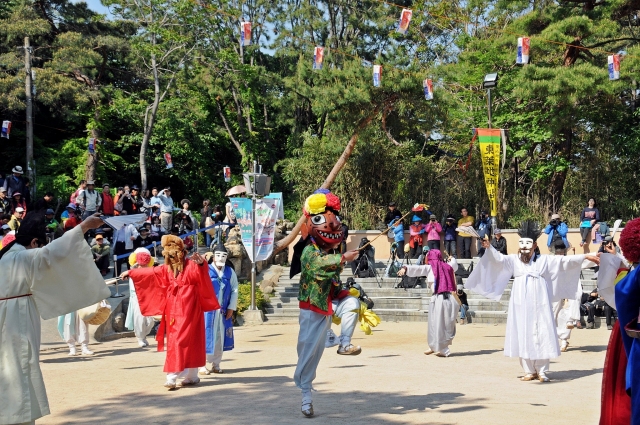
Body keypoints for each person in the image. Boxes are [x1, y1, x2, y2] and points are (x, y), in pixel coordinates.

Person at [0, 212, 110, 425]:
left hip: (10, 314)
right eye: (38, 245)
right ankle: (16, 418)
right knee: (18, 367)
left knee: (9, 367)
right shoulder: (21, 256)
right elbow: (55, 252)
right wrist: (85, 226)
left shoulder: (6, 256)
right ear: (34, 242)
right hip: (16, 319)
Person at [466, 221, 599, 382]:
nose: (524, 248)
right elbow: (499, 259)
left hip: (540, 301)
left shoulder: (544, 260)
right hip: (520, 302)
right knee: (523, 332)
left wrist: (585, 256)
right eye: (521, 244)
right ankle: (529, 370)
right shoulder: (514, 260)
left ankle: (542, 370)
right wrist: (489, 247)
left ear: (535, 245)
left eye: (528, 244)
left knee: (542, 331)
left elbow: (564, 262)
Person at [289, 188, 361, 417]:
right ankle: (306, 395)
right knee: (309, 353)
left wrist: (345, 290)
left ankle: (344, 343)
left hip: (329, 302)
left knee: (352, 303)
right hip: (313, 307)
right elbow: (320, 266)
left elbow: (332, 277)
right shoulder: (308, 251)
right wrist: (342, 258)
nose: (331, 226)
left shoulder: (332, 249)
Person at [120, 235, 220, 389]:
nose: (172, 258)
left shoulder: (192, 265)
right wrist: (131, 273)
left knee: (185, 339)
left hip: (191, 307)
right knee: (179, 339)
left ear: (181, 253)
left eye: (174, 255)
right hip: (175, 307)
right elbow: (152, 272)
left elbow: (202, 274)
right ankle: (184, 376)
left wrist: (201, 265)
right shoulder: (167, 268)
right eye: (169, 256)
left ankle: (179, 376)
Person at [596, 217, 640, 425]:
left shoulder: (631, 273)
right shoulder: (630, 272)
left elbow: (622, 295)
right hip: (630, 333)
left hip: (628, 333)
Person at [398, 250, 459, 355]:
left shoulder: (430, 267)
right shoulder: (448, 265)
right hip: (439, 298)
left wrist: (405, 268)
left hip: (444, 297)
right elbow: (454, 262)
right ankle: (433, 346)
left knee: (442, 324)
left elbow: (418, 269)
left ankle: (444, 349)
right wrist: (452, 258)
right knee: (434, 323)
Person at [200, 243, 239, 375]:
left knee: (220, 337)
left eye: (224, 255)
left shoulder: (229, 271)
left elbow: (234, 289)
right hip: (207, 310)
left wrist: (231, 307)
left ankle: (216, 364)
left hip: (222, 310)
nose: (221, 258)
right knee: (205, 335)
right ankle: (201, 364)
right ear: (213, 257)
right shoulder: (206, 270)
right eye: (218, 255)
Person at [125, 248, 156, 347]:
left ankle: (143, 335)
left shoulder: (151, 270)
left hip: (149, 296)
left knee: (152, 320)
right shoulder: (132, 271)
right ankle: (140, 338)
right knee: (139, 318)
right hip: (137, 297)